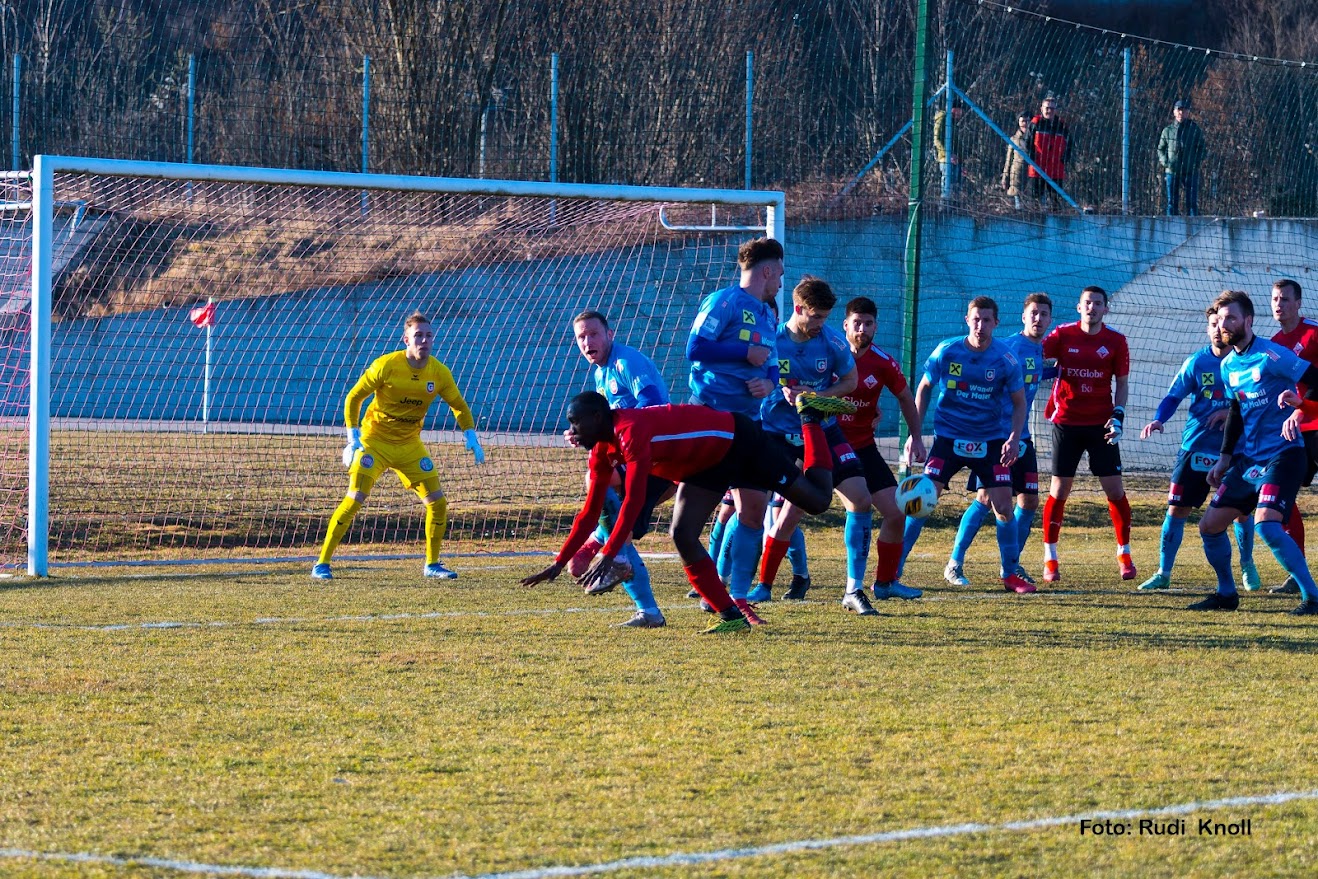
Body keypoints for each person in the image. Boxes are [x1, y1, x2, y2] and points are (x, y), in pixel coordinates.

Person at [521, 391, 854, 632]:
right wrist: (559, 562)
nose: (571, 431)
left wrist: (610, 553)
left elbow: (635, 498)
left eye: (575, 423)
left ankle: (810, 418)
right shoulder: (601, 451)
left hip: (740, 443)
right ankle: (730, 618)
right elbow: (589, 513)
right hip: (707, 465)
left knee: (818, 500)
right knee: (681, 534)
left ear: (597, 418)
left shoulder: (630, 430)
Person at [313, 311, 485, 580]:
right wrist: (352, 438)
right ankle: (322, 563)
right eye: (418, 336)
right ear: (406, 339)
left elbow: (459, 406)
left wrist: (471, 435)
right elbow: (354, 397)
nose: (424, 341)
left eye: (428, 336)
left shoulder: (439, 372)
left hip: (409, 445)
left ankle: (432, 564)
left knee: (438, 503)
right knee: (355, 498)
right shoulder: (386, 365)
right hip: (375, 441)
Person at [750, 277, 878, 615]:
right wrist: (779, 391)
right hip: (777, 433)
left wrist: (817, 397)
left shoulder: (833, 342)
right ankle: (762, 587)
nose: (821, 324)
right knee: (781, 512)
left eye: (825, 317)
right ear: (798, 309)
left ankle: (854, 590)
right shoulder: (773, 341)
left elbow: (849, 381)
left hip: (823, 431)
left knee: (861, 499)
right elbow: (753, 380)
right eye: (816, 316)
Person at [1192, 289, 1318, 615]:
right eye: (1219, 319)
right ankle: (1226, 594)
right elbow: (1236, 410)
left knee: (1266, 524)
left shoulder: (1273, 355)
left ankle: (1313, 597)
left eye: (1231, 317)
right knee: (1209, 525)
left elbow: (1316, 378)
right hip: (1251, 460)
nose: (1224, 324)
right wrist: (1224, 457)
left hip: (1285, 454)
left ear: (1247, 320)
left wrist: (1300, 409)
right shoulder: (1228, 365)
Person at [900, 296, 1032, 593]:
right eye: (976, 319)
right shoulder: (947, 351)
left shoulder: (1006, 358)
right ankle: (892, 572)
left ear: (996, 323)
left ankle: (1010, 575)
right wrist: (916, 434)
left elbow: (1019, 402)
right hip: (949, 438)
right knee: (922, 502)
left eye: (987, 320)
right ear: (967, 320)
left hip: (990, 441)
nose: (981, 325)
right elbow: (923, 389)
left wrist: (1013, 438)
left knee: (1002, 507)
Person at [686, 237, 782, 614]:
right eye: (779, 275)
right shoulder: (722, 301)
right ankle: (614, 541)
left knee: (754, 509)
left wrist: (769, 383)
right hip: (710, 417)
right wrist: (743, 352)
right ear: (768, 270)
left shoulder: (768, 314)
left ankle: (738, 599)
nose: (779, 284)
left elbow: (771, 364)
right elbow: (694, 348)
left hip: (748, 423)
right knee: (687, 509)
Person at [562, 310, 675, 628]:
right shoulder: (601, 373)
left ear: (610, 334)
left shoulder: (627, 363)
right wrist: (584, 432)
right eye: (581, 337)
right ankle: (648, 610)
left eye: (593, 334)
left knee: (598, 480)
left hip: (658, 457)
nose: (587, 342)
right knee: (619, 526)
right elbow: (611, 424)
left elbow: (652, 406)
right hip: (642, 459)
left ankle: (603, 546)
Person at [1137, 305, 1259, 591]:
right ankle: (1163, 573)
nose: (1219, 329)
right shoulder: (1196, 362)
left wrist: (1230, 415)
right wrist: (1158, 419)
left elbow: (1256, 399)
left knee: (1241, 512)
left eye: (1224, 322)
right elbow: (1173, 396)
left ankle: (1247, 565)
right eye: (1213, 324)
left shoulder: (1247, 361)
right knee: (1176, 509)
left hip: (1238, 450)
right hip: (1196, 446)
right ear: (1207, 329)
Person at [944, 293, 1053, 588]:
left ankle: (1012, 565)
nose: (1038, 319)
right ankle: (954, 563)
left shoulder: (1040, 350)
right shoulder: (1009, 348)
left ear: (1050, 320)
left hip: (1023, 438)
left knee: (1029, 500)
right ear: (1022, 317)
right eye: (1033, 313)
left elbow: (1037, 374)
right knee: (986, 498)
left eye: (1044, 314)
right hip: (995, 437)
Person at [833, 295, 926, 600]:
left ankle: (884, 584)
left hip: (863, 448)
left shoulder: (883, 362)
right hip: (826, 445)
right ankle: (763, 585)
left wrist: (917, 436)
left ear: (876, 327)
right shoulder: (828, 354)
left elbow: (905, 398)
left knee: (897, 513)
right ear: (845, 325)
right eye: (856, 323)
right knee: (786, 513)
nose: (862, 329)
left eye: (868, 323)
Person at [1039, 286, 1135, 584]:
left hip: (1101, 425)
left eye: (1097, 303)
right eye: (1087, 303)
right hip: (1066, 422)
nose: (1091, 307)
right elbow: (1035, 355)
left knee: (1115, 490)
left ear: (1106, 309)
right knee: (1059, 491)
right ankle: (1050, 558)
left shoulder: (1116, 340)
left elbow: (1121, 383)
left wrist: (1118, 415)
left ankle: (1124, 554)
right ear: (1078, 307)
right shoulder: (1062, 335)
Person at [1269, 278, 1318, 595]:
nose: (1279, 304)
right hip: (1294, 430)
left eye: (1285, 299)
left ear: (1298, 303)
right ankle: (1296, 570)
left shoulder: (1313, 333)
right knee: (1283, 497)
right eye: (1275, 299)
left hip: (1314, 422)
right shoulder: (1273, 343)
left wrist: (1303, 409)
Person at [1157, 100, 1207, 217]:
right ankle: (1171, 227)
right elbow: (1161, 149)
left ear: (1187, 112)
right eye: (1179, 110)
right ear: (1174, 112)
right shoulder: (1167, 131)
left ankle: (1194, 227)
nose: (1181, 113)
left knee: (1192, 204)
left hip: (1190, 171)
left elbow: (1202, 149)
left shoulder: (1194, 130)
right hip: (1172, 171)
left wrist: (1195, 163)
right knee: (1171, 203)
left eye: (1183, 111)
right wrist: (1166, 163)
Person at [1026, 94, 1070, 210]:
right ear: (1041, 109)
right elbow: (1028, 142)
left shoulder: (1061, 125)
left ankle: (1056, 221)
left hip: (1056, 167)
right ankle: (1036, 220)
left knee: (1056, 200)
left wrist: (1065, 158)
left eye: (1052, 108)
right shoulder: (1036, 123)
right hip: (1038, 167)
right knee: (1035, 199)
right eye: (1047, 108)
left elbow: (1069, 143)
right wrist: (1032, 157)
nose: (1049, 111)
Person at [932, 102, 964, 199]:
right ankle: (944, 206)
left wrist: (961, 160)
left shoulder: (953, 123)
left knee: (955, 185)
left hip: (955, 159)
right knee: (947, 184)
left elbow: (956, 143)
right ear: (953, 109)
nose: (961, 114)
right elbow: (937, 139)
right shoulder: (943, 119)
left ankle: (952, 206)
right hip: (946, 159)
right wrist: (948, 154)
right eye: (959, 110)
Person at [1001, 111, 1031, 211]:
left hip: (1031, 172)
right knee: (1017, 201)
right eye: (1022, 121)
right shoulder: (1014, 139)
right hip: (1016, 173)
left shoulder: (1034, 138)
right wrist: (1005, 177)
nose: (1025, 123)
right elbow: (1008, 159)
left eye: (1027, 121)